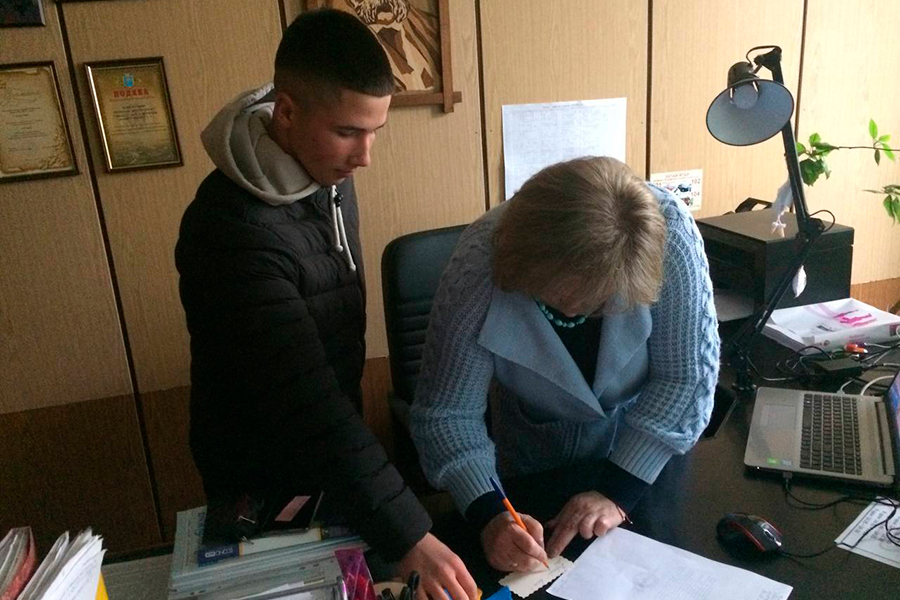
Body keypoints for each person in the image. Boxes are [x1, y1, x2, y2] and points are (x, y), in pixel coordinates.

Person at [175, 9, 476, 600]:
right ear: (286, 113)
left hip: (331, 456)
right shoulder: (231, 231)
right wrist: (410, 532)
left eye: (375, 131)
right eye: (348, 132)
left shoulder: (325, 173)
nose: (365, 156)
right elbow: (305, 401)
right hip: (263, 473)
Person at [409, 156, 720, 573]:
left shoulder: (670, 237)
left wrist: (617, 491)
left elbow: (685, 380)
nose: (578, 311)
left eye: (600, 300)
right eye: (563, 295)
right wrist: (489, 513)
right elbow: (448, 413)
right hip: (530, 461)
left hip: (645, 456)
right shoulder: (482, 258)